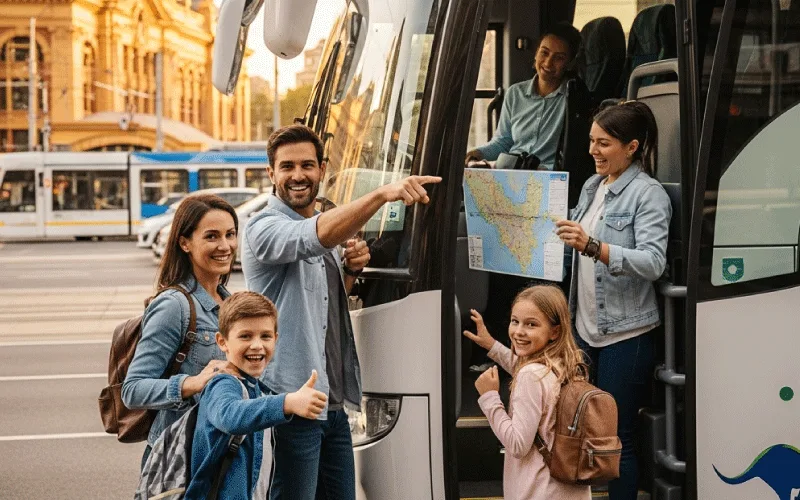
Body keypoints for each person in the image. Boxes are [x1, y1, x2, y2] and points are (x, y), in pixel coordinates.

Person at [241, 124, 441, 500]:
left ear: (322, 169)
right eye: (286, 167)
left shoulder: (325, 226)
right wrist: (381, 194)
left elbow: (326, 305)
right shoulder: (262, 228)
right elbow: (313, 237)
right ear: (271, 173)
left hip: (331, 402)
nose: (298, 175)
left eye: (307, 165)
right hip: (291, 400)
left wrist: (349, 270)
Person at [555, 100, 671, 500]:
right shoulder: (593, 186)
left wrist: (593, 246)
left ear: (632, 147)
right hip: (585, 329)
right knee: (582, 428)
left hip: (627, 335)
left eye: (603, 143)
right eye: (591, 141)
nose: (593, 150)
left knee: (617, 437)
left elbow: (653, 262)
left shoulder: (648, 194)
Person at [123, 194, 240, 468]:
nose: (225, 246)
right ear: (185, 243)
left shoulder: (230, 303)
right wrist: (193, 383)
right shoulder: (174, 305)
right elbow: (133, 390)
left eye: (230, 234)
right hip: (180, 458)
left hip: (220, 453)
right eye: (211, 236)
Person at [185, 291, 328, 500]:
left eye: (265, 336)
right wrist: (287, 402)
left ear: (275, 339)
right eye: (245, 336)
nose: (257, 345)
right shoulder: (223, 383)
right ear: (222, 342)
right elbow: (230, 416)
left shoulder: (256, 388)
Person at [462, 285, 591, 500]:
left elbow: (517, 445)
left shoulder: (530, 376)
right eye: (515, 321)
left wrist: (489, 397)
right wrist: (491, 345)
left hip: (538, 492)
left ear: (555, 332)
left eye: (531, 324)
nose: (519, 331)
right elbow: (529, 371)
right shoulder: (566, 365)